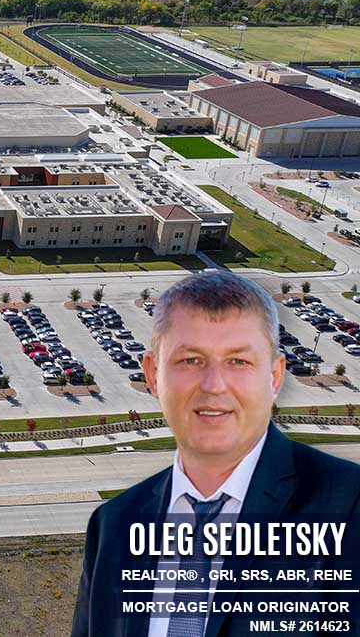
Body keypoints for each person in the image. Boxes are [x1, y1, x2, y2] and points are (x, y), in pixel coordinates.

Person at [71, 271, 359, 637]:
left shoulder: (346, 506)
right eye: (191, 360)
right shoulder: (112, 526)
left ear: (274, 377)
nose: (213, 385)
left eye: (238, 361)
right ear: (153, 374)